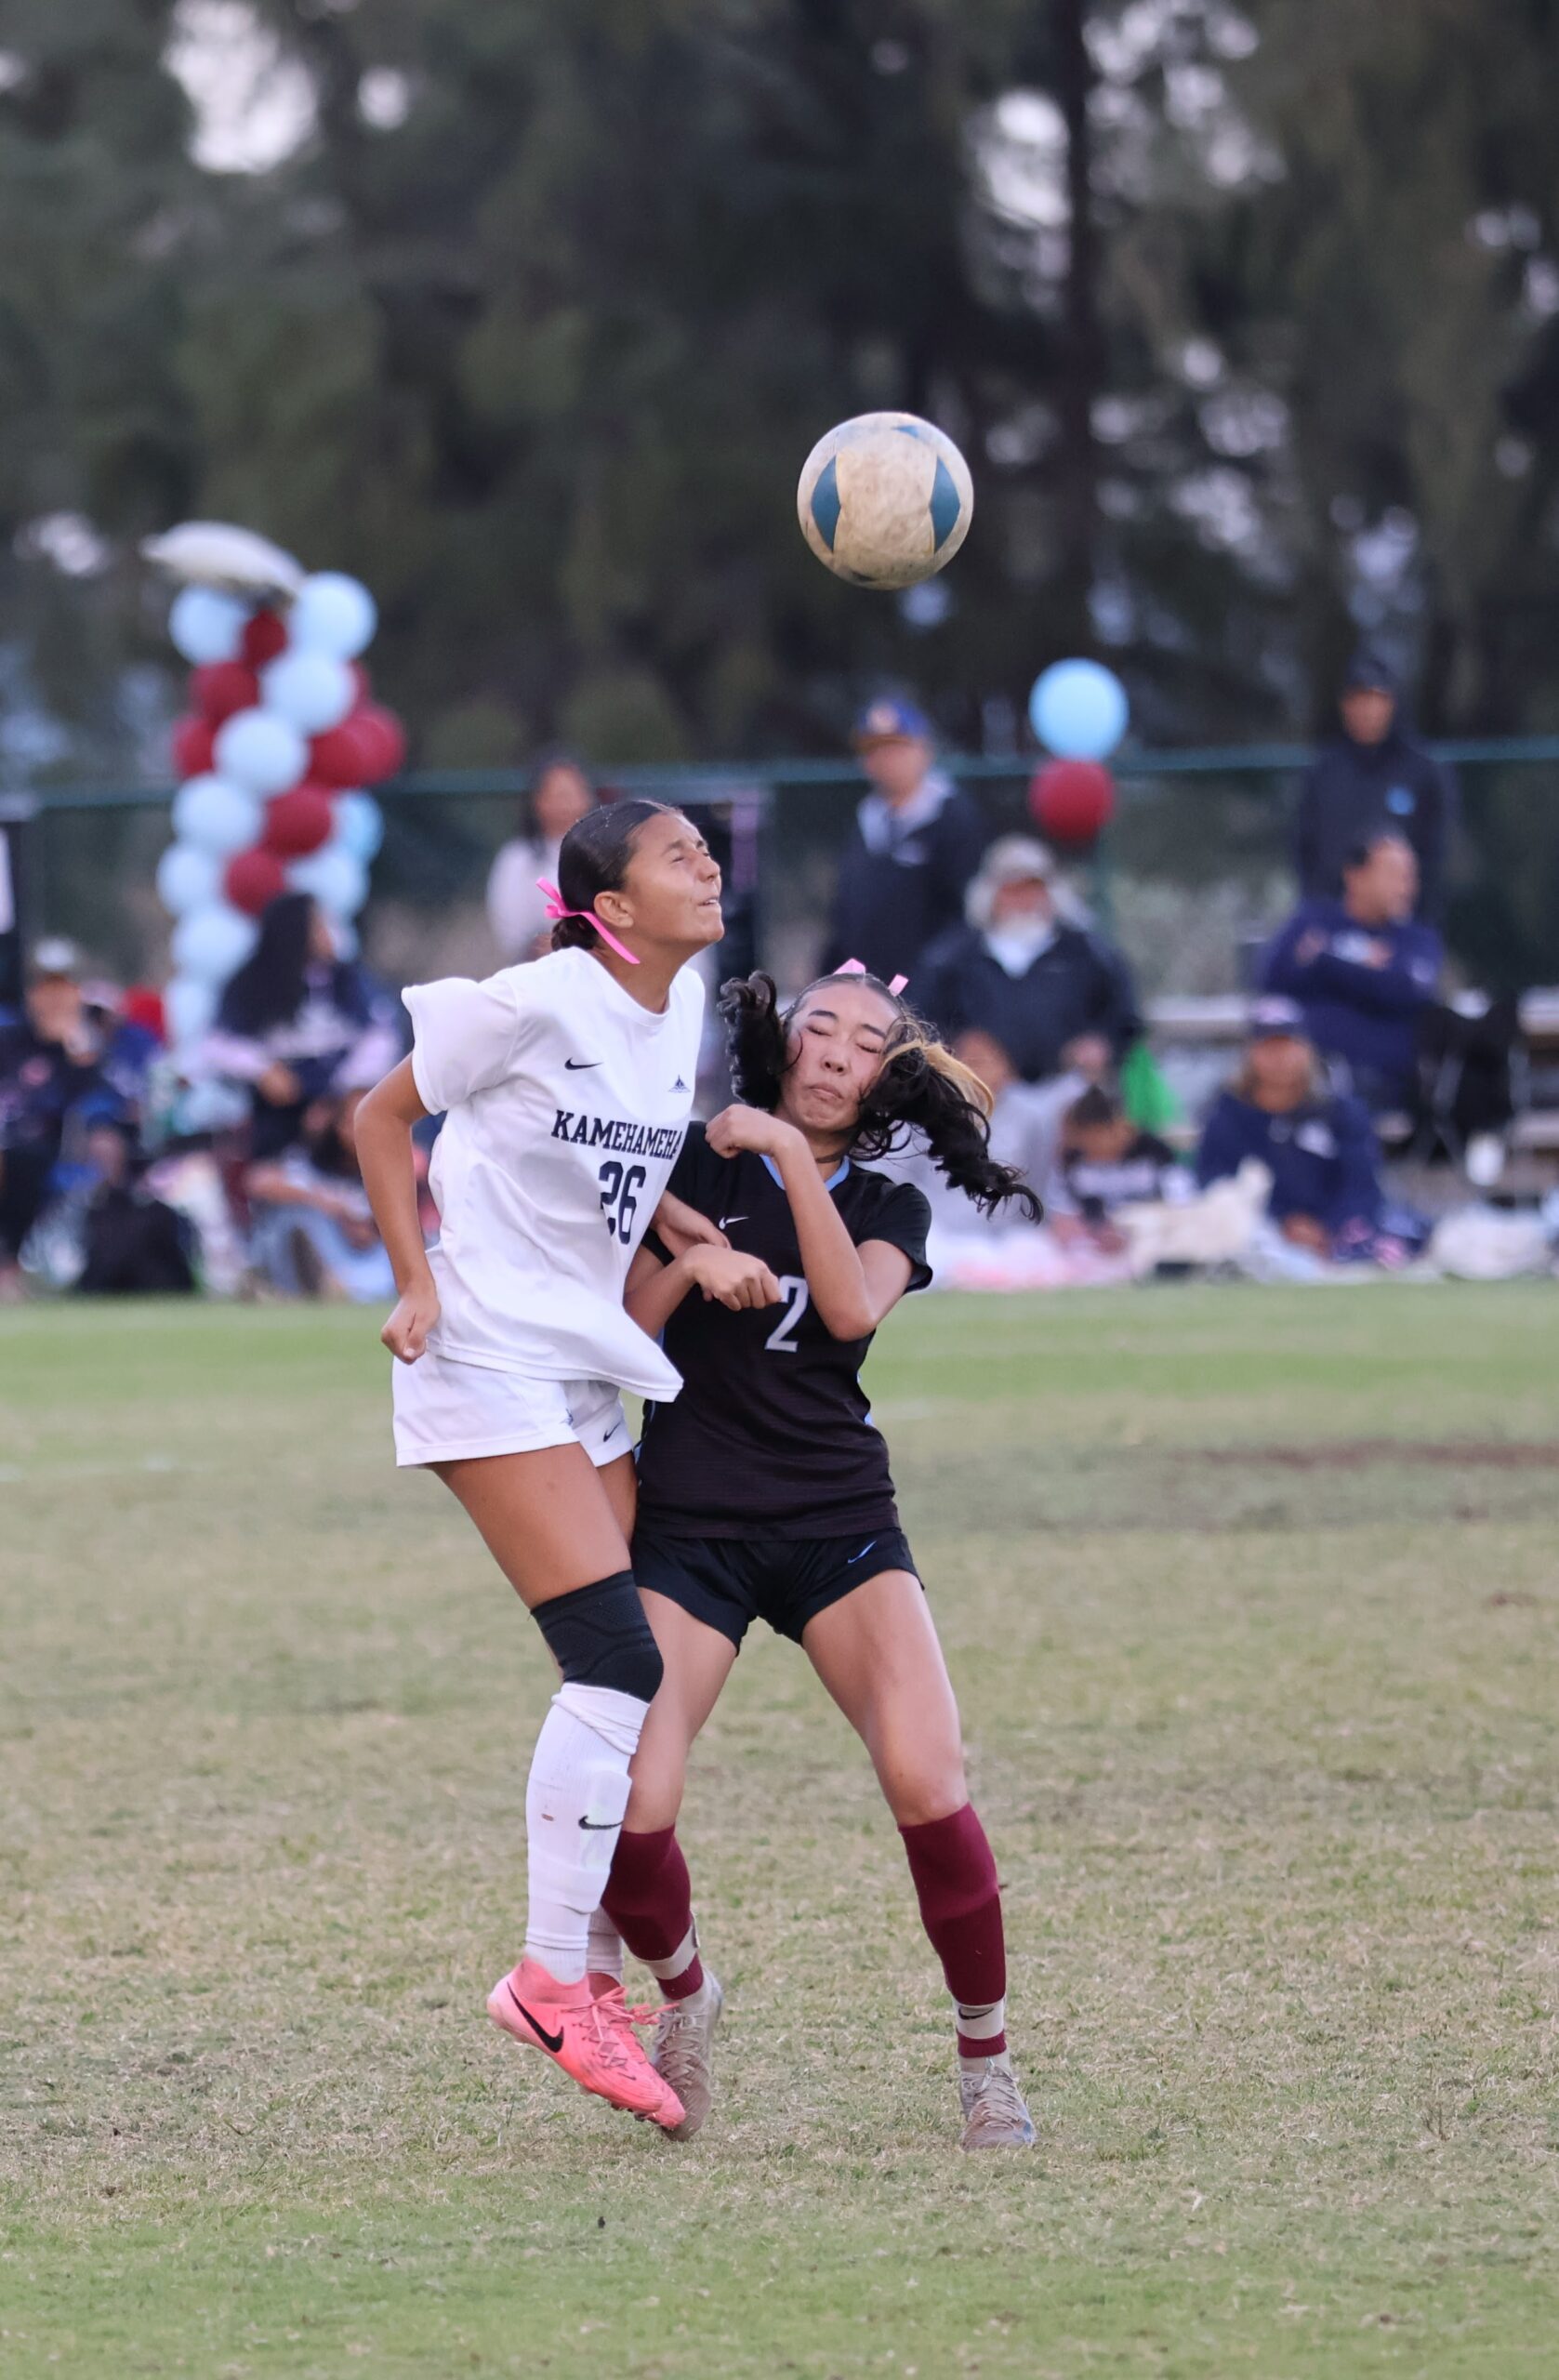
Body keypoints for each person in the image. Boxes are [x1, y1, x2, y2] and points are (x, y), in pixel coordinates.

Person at [595, 966, 1044, 2152]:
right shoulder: (690, 1162)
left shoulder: (891, 1204)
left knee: (927, 1782)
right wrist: (688, 1261)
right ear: (782, 1041)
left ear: (889, 1075)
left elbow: (847, 1313)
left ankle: (987, 2064)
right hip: (691, 1528)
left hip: (839, 1522)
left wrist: (790, 1159)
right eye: (820, 1028)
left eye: (867, 1042)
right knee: (626, 1806)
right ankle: (688, 1996)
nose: (837, 1052)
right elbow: (614, 1338)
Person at [354, 800, 726, 2134]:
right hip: (485, 1347)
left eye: (707, 847)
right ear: (611, 910)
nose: (709, 867)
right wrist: (411, 1281)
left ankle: (595, 1970)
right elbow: (375, 1121)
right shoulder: (533, 998)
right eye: (677, 856)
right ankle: (551, 1981)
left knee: (623, 1679)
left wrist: (689, 1234)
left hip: (582, 1357)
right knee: (615, 1663)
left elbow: (621, 1166)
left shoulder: (678, 1013)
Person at [1262, 833, 1516, 1160]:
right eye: (1395, 874)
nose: (1407, 886)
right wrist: (1365, 968)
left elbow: (1403, 989)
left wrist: (1326, 960)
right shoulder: (1312, 920)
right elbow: (1273, 981)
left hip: (1388, 1086)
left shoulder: (1417, 938)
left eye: (1412, 876)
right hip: (1305, 1077)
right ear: (1355, 876)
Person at [1196, 998, 1423, 1263]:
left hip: (1338, 1233)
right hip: (1260, 1232)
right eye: (1269, 1047)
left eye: (1288, 1046)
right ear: (1251, 1053)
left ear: (1307, 1050)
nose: (1280, 1058)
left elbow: (1361, 1183)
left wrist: (1328, 1227)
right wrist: (1281, 1222)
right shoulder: (1227, 1116)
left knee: (1394, 1238)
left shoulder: (1340, 1112)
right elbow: (1214, 1182)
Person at [918, 837, 1143, 1085]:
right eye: (1012, 889)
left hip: (1066, 1089)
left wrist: (1102, 1044)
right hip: (981, 1091)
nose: (1023, 900)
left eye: (1032, 888)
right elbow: (923, 1016)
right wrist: (958, 1046)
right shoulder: (954, 955)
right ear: (991, 893)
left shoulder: (1086, 952)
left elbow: (1124, 1014)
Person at [202, 892, 402, 1159]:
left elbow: (382, 1035)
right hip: (279, 1112)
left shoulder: (348, 979)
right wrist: (263, 1069)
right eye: (319, 925)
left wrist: (340, 1094)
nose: (329, 933)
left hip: (342, 1107)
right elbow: (217, 1044)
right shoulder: (252, 984)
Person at [824, 699, 987, 985]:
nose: (884, 759)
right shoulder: (865, 822)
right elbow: (846, 917)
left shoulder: (953, 818)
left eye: (896, 746)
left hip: (933, 996)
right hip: (869, 991)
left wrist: (932, 978)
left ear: (923, 750)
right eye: (873, 749)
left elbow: (968, 916)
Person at [1294, 651, 1460, 921]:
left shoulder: (1425, 772)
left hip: (1403, 928)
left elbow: (1437, 857)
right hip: (1333, 924)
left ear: (1392, 703)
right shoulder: (1321, 773)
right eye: (1358, 699)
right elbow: (1304, 851)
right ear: (1345, 705)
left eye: (1375, 698)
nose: (1367, 709)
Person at [0, 939, 115, 1297]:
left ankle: (8, 1266)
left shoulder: (86, 1046)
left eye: (61, 987)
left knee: (18, 1160)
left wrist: (77, 1051)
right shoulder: (10, 1039)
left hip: (44, 1150)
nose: (53, 999)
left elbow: (97, 1103)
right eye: (44, 988)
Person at [243, 1078, 396, 1303]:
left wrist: (368, 1230)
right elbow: (258, 1181)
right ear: (339, 1126)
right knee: (296, 1217)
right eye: (354, 1121)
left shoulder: (393, 1167)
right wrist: (326, 1203)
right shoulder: (315, 1160)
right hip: (326, 1243)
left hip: (368, 1258)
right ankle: (302, 1281)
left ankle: (340, 1286)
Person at [486, 753, 599, 962]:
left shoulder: (608, 853)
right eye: (558, 795)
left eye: (573, 794)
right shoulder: (517, 859)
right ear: (537, 801)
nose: (566, 804)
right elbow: (512, 932)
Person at [1051, 1085, 1185, 1245]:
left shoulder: (1155, 1154)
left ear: (1116, 1126)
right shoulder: (1073, 1164)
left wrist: (1133, 1230)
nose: (1089, 1150)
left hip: (1152, 1239)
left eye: (1094, 1139)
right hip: (1096, 1248)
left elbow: (1182, 1206)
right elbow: (1063, 1217)